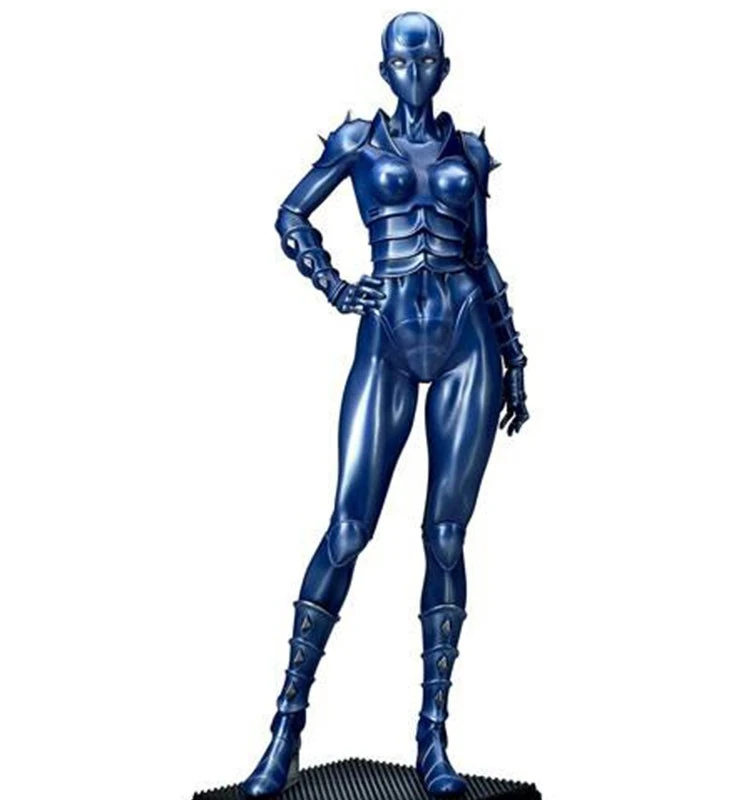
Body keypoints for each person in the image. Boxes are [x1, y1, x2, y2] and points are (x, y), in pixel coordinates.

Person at [241, 12, 530, 797]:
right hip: (387, 332)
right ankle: (286, 726)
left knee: (446, 536)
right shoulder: (358, 143)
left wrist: (515, 354)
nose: (414, 74)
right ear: (384, 69)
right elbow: (291, 214)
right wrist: (337, 288)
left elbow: (481, 253)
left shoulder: (468, 153)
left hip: (467, 338)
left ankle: (433, 737)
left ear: (444, 67)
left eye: (426, 60)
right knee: (348, 527)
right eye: (402, 62)